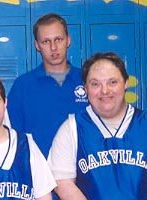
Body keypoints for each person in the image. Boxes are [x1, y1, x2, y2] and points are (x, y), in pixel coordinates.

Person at [48, 52, 147, 199]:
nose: (105, 90)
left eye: (112, 82)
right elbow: (62, 181)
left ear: (125, 83)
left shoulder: (143, 124)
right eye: (95, 84)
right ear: (85, 88)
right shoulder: (72, 128)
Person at [7, 13, 88, 157]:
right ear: (37, 45)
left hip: (84, 172)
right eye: (46, 41)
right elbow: (13, 136)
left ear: (68, 40)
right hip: (40, 173)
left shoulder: (87, 80)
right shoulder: (22, 86)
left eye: (58, 39)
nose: (53, 47)